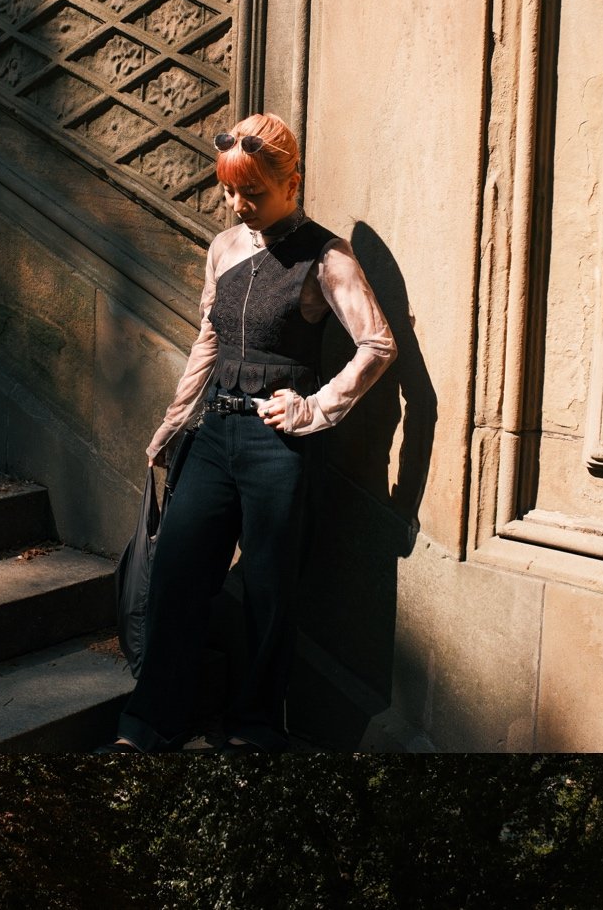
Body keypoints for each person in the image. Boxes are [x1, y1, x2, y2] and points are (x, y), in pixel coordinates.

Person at [112, 112, 396, 752]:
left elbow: (378, 346)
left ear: (291, 182)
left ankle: (255, 728)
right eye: (231, 194)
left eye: (255, 194)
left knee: (270, 597)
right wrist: (172, 422)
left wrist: (313, 409)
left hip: (280, 450)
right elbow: (208, 342)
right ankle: (150, 721)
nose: (240, 206)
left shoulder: (327, 257)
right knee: (178, 578)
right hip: (213, 435)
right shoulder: (225, 250)